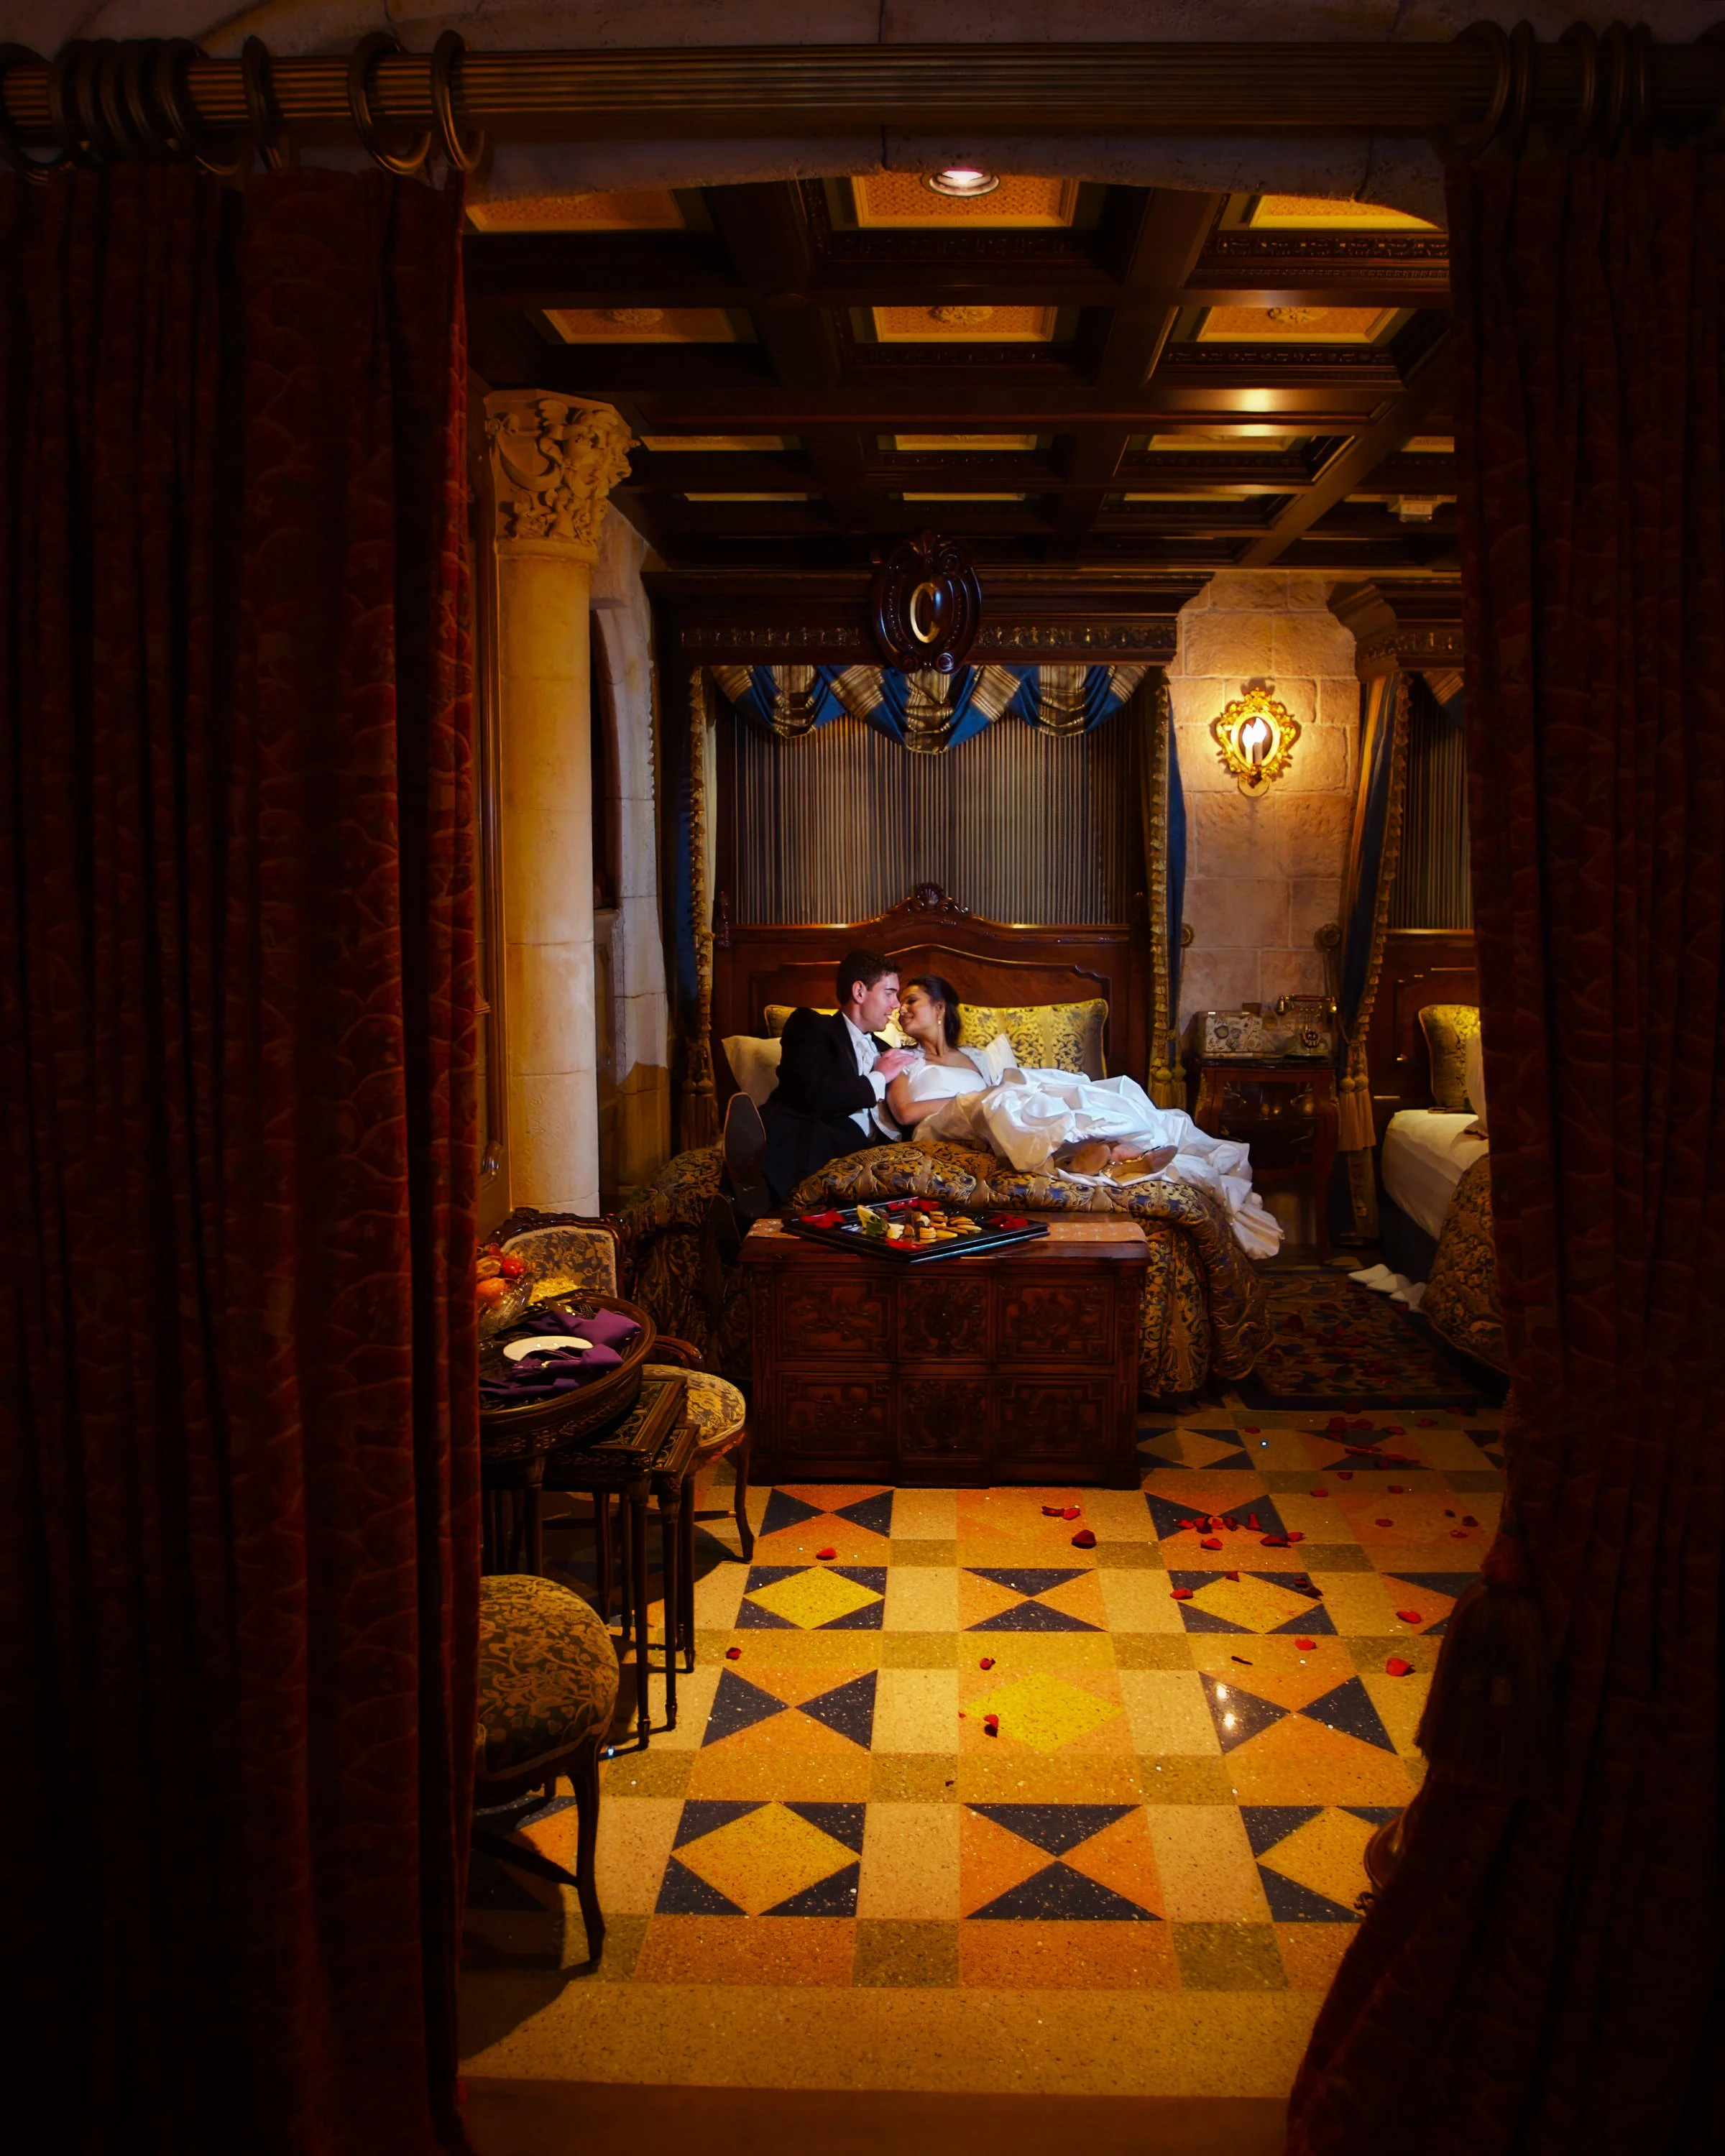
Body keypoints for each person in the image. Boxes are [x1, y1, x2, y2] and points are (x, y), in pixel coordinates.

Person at [885, 974, 1282, 1259]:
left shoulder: (973, 1057)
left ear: (939, 1007)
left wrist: (998, 1090)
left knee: (1050, 1090)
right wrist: (972, 1095)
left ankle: (1101, 1150)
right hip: (943, 1122)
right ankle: (1092, 1154)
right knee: (999, 1102)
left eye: (912, 1000)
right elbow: (904, 1112)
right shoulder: (902, 1061)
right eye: (899, 1002)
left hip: (985, 1109)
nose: (901, 1009)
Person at [724, 947, 917, 1210]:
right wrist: (878, 1077)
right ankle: (751, 1182)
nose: (896, 1005)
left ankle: (753, 1195)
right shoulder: (811, 1027)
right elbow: (812, 1093)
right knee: (822, 1133)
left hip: (869, 1150)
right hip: (813, 1132)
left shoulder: (889, 1052)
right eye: (889, 993)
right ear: (859, 992)